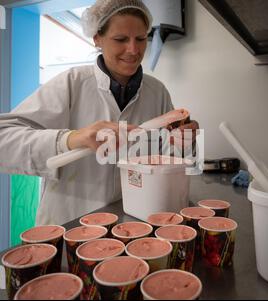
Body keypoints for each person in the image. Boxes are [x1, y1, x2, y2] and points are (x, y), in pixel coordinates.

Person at [0, 0, 198, 226]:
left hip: (133, 225)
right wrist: (71, 139)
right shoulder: (71, 83)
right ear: (97, 38)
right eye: (121, 39)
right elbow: (3, 138)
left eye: (141, 39)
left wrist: (186, 145)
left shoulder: (157, 92)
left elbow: (175, 165)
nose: (133, 50)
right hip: (68, 227)